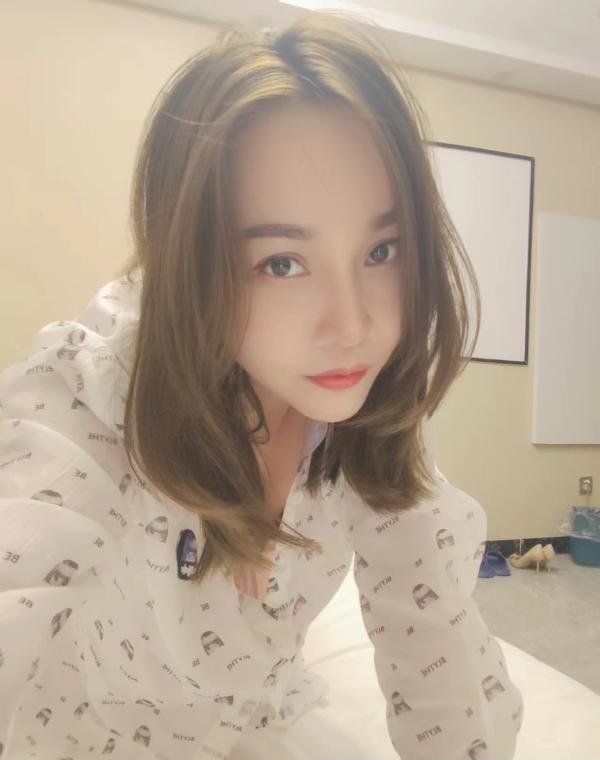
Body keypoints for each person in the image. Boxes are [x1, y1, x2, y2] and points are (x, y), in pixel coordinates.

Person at [0, 10, 523, 760]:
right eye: (282, 263)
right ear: (193, 260)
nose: (353, 325)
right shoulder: (102, 391)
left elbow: (436, 637)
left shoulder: (369, 420)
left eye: (383, 249)